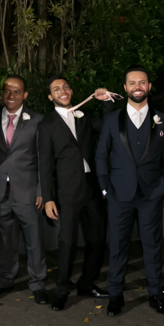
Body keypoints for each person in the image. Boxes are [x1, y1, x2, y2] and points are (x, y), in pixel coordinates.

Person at [95, 66, 164, 317]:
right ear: (125, 88)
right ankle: (115, 295)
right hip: (119, 195)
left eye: (142, 82)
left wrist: (163, 186)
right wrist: (105, 189)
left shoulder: (163, 118)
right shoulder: (112, 119)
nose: (137, 87)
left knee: (152, 246)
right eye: (132, 83)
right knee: (117, 247)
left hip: (151, 195)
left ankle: (156, 294)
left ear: (149, 86)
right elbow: (101, 155)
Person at [38, 78, 115, 310]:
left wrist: (107, 101)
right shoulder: (46, 125)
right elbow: (45, 165)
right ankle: (62, 289)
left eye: (65, 87)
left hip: (92, 188)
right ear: (50, 97)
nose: (62, 91)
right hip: (68, 191)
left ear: (71, 91)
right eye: (56, 90)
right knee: (67, 242)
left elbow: (109, 127)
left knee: (98, 238)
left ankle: (87, 282)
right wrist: (48, 197)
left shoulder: (84, 116)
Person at [0, 73, 48, 303]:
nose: (11, 95)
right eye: (7, 90)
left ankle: (38, 283)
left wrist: (42, 191)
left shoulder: (37, 120)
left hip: (28, 192)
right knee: (4, 239)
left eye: (17, 91)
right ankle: (5, 279)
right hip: (1, 192)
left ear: (25, 95)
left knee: (34, 240)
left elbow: (44, 159)